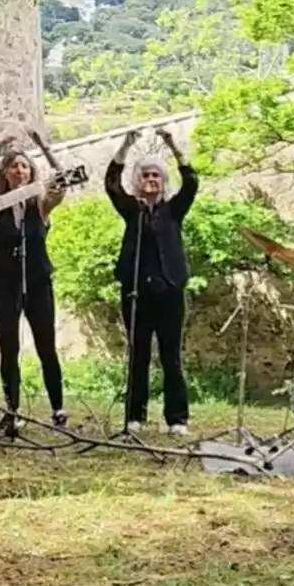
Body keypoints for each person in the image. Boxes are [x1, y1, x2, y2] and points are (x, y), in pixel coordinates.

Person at [106, 127, 199, 435]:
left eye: (155, 176)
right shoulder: (132, 210)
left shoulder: (174, 210)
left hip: (170, 290)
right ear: (138, 180)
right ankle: (135, 416)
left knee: (171, 356)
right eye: (145, 176)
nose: (150, 180)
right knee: (139, 355)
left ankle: (177, 419)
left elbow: (192, 181)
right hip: (136, 292)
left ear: (162, 181)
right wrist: (125, 145)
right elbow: (111, 184)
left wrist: (173, 144)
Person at [0, 133, 69, 434]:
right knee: (9, 347)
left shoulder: (41, 205)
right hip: (3, 283)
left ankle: (58, 409)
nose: (19, 171)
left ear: (31, 172)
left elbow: (62, 181)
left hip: (37, 281)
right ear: (5, 173)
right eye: (13, 167)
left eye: (24, 167)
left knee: (46, 344)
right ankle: (12, 410)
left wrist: (45, 147)